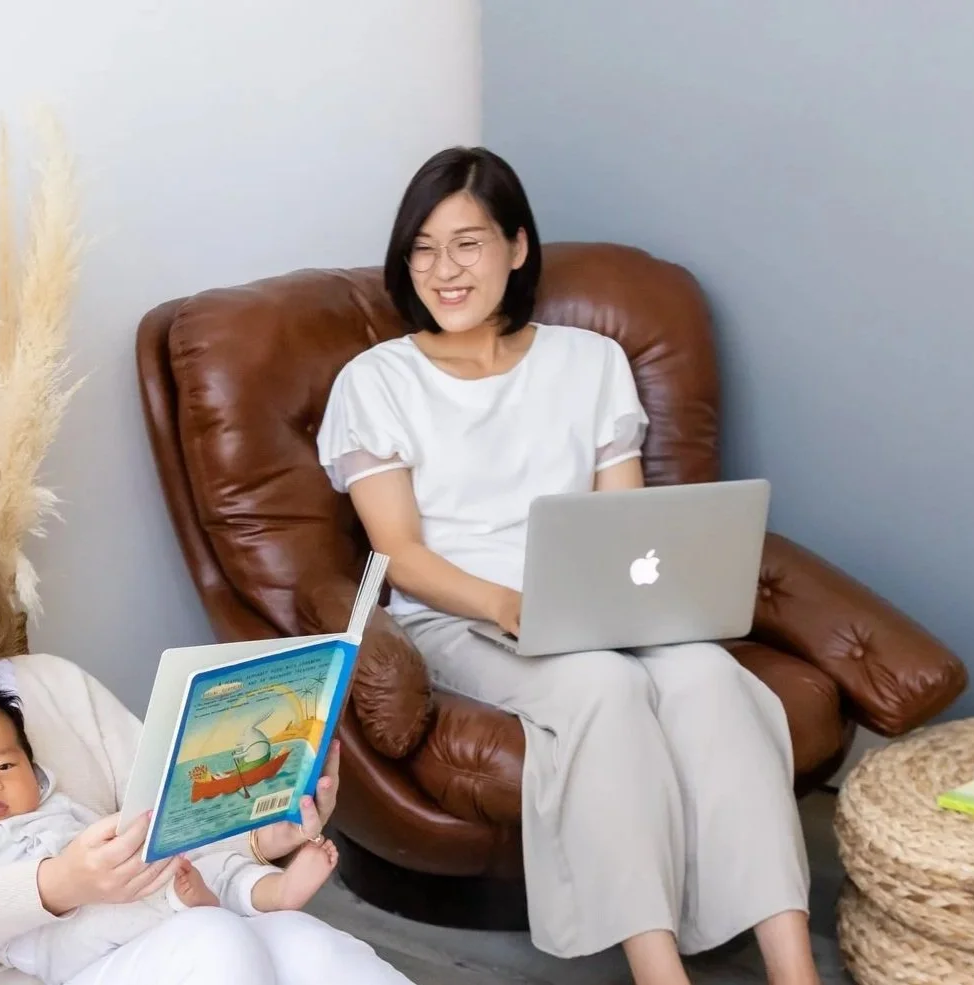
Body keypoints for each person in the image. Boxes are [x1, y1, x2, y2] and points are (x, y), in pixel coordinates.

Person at [315, 146, 821, 985]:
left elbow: (623, 524)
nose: (445, 270)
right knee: (601, 687)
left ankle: (794, 967)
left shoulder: (590, 362)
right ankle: (660, 971)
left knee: (708, 677)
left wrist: (633, 601)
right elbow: (400, 555)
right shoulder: (376, 382)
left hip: (591, 599)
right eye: (424, 248)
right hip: (459, 612)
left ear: (516, 247)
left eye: (467, 244)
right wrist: (512, 605)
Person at [0, 468, 414, 985]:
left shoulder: (48, 685)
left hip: (137, 937)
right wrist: (55, 884)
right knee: (212, 943)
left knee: (315, 948)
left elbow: (165, 826)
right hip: (35, 969)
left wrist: (259, 837)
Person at [0, 686, 341, 985]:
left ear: (33, 771)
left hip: (124, 907)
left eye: (5, 766)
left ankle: (269, 891)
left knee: (181, 862)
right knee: (159, 894)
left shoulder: (59, 810)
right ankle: (189, 903)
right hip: (60, 945)